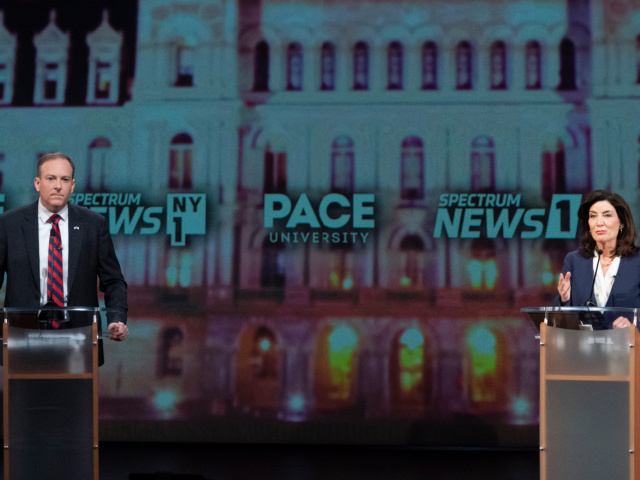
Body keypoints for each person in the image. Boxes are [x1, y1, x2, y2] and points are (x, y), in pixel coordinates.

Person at [0, 152, 128, 362]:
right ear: (38, 183)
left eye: (65, 179)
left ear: (73, 185)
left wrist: (116, 318)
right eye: (51, 179)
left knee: (74, 394)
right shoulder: (9, 224)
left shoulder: (93, 225)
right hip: (23, 338)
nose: (58, 185)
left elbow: (113, 281)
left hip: (78, 339)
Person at [555, 189, 640, 329]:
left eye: (607, 215)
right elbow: (557, 316)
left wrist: (633, 327)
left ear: (622, 223)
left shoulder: (636, 261)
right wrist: (564, 299)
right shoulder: (574, 261)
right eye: (593, 216)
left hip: (629, 348)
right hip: (584, 348)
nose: (599, 222)